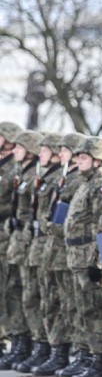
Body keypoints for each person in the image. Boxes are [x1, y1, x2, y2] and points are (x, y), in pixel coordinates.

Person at [30, 132, 88, 376]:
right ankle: (58, 351)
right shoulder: (64, 178)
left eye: (66, 150)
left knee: (73, 304)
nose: (61, 154)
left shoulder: (78, 180)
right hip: (54, 249)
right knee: (54, 302)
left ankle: (80, 353)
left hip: (70, 249)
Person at [63, 136, 102, 377]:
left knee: (97, 309)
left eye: (84, 158)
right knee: (84, 309)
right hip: (78, 256)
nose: (79, 161)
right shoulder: (84, 183)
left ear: (98, 160)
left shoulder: (100, 186)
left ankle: (100, 361)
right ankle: (87, 356)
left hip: (91, 258)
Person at [14, 132, 63, 373]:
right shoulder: (42, 177)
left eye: (46, 151)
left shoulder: (57, 179)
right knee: (33, 298)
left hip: (50, 244)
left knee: (50, 299)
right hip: (35, 242)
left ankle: (53, 349)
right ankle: (40, 346)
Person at [1, 129, 42, 370]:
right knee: (16, 293)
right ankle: (20, 342)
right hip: (19, 239)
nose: (15, 150)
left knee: (29, 294)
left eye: (19, 147)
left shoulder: (34, 174)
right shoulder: (22, 173)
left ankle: (31, 344)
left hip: (32, 242)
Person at [0, 121, 23, 361]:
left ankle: (12, 337)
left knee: (11, 289)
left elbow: (16, 203)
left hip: (7, 234)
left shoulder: (16, 167)